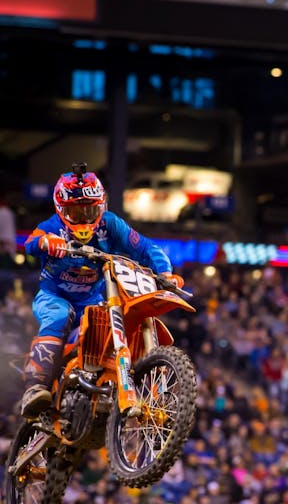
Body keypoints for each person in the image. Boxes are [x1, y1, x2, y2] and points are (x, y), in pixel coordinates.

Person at [21, 163, 181, 416]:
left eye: (90, 210)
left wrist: (165, 272)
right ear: (62, 210)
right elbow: (30, 243)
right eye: (77, 212)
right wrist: (46, 242)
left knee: (109, 327)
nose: (85, 218)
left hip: (93, 300)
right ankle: (35, 387)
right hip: (54, 296)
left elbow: (146, 247)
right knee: (59, 315)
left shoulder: (110, 224)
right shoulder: (52, 226)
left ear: (101, 205)